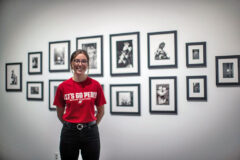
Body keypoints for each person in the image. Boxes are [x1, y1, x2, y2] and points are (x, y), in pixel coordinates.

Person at [53, 49, 106, 160]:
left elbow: (101, 111)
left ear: (87, 64)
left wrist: (91, 125)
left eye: (84, 61)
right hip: (69, 133)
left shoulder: (95, 85)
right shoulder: (62, 87)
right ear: (71, 63)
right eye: (76, 61)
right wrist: (70, 125)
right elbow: (59, 114)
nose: (80, 64)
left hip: (91, 133)